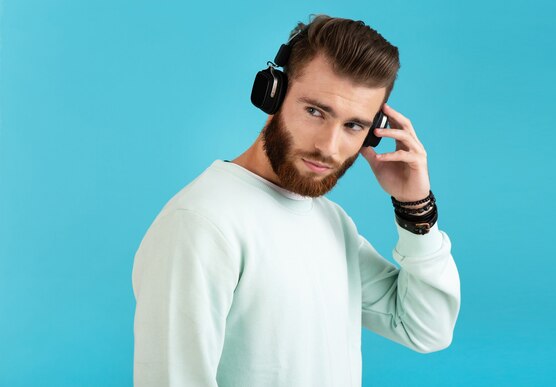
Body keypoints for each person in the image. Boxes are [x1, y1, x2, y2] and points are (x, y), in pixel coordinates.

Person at [132, 14, 461, 387]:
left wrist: (415, 209)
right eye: (315, 111)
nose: (329, 147)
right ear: (272, 93)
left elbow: (426, 329)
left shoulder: (330, 222)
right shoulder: (201, 223)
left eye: (353, 125)